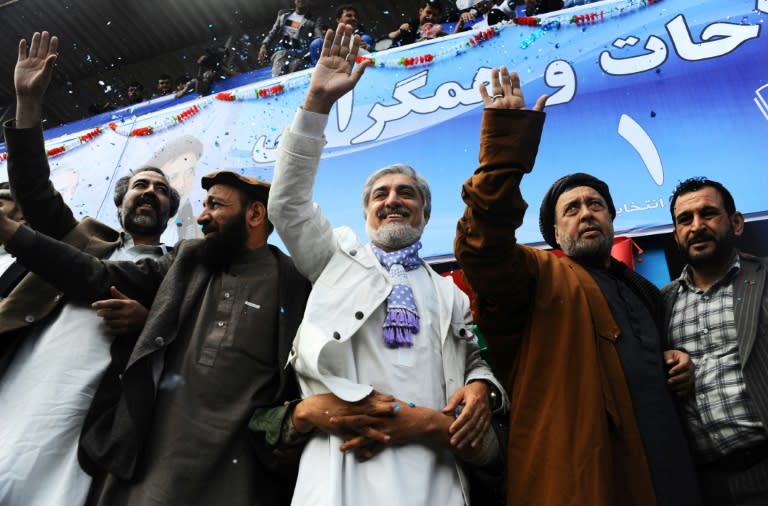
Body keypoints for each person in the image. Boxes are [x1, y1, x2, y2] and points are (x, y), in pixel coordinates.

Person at [265, 24, 507, 506]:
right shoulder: (335, 258)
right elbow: (287, 205)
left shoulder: (450, 292)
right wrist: (316, 103)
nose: (393, 201)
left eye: (406, 194)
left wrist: (483, 388)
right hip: (345, 465)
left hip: (432, 466)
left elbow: (474, 359)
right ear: (366, 211)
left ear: (425, 213)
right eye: (381, 194)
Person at [454, 67, 702, 505]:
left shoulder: (644, 292)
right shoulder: (535, 278)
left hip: (670, 475)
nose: (586, 213)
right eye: (571, 208)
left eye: (596, 205)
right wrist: (503, 154)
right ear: (553, 230)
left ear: (611, 218)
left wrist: (674, 358)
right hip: (581, 482)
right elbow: (480, 245)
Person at [0, 164, 312, 504]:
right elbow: (95, 275)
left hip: (239, 466)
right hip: (152, 456)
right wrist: (11, 232)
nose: (203, 216)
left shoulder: (295, 283)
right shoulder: (188, 259)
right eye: (204, 205)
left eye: (215, 206)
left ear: (255, 214)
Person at [0, 31, 180, 505]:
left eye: (160, 190)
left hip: (91, 403)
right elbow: (34, 189)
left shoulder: (178, 266)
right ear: (120, 203)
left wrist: (148, 325)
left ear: (170, 211)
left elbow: (179, 336)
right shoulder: (82, 237)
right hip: (22, 365)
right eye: (141, 185)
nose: (149, 192)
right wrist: (27, 103)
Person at [663, 177, 768, 505]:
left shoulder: (764, 278)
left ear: (736, 223)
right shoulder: (661, 303)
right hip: (704, 485)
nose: (696, 226)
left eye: (708, 213)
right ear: (676, 235)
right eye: (685, 219)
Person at [258, 0, 322, 77]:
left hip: (300, 57)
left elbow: (319, 38)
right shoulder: (283, 15)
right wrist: (264, 45)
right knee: (280, 59)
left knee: (297, 66)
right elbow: (273, 32)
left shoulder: (313, 20)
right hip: (281, 54)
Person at [308, 5, 374, 65]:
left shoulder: (362, 39)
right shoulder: (325, 43)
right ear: (338, 20)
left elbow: (373, 62)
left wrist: (367, 50)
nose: (354, 18)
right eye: (349, 15)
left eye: (355, 16)